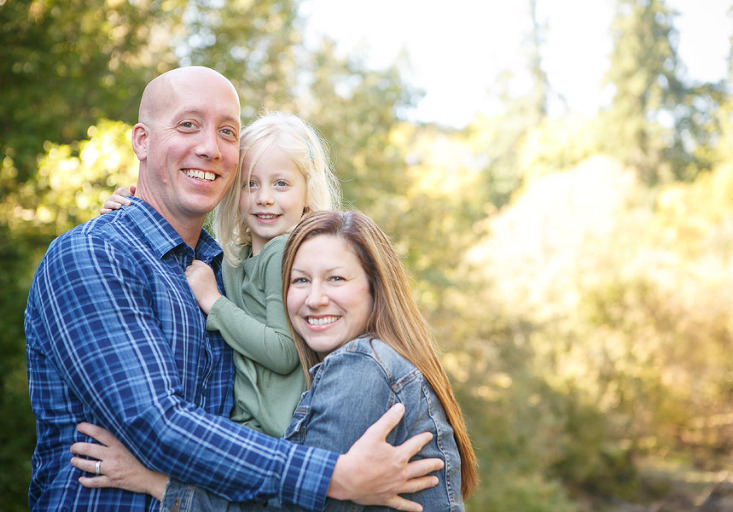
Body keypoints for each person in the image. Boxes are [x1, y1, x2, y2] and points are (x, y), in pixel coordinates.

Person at [25, 66, 442, 512]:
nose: (209, 147)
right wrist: (333, 476)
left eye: (227, 132)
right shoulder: (96, 254)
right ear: (142, 142)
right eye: (188, 125)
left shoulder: (220, 273)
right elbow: (153, 423)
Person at [70, 210, 479, 511]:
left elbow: (293, 506)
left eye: (336, 278)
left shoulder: (363, 365)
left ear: (375, 289)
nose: (315, 297)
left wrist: (155, 482)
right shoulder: (353, 367)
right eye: (300, 280)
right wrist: (133, 209)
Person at [102, 111, 342, 438]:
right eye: (250, 184)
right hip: (247, 426)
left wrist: (214, 302)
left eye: (281, 183)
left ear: (307, 192)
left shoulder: (284, 252)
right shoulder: (235, 258)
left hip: (280, 434)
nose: (265, 198)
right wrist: (134, 209)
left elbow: (284, 352)